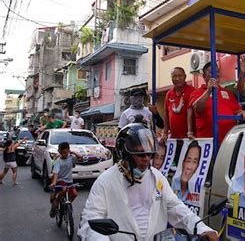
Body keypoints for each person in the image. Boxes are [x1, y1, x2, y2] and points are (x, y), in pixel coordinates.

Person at [78, 123, 218, 241]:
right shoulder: (105, 181)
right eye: (140, 154)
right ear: (124, 154)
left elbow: (176, 208)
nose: (146, 159)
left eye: (149, 154)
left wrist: (202, 228)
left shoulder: (157, 178)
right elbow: (90, 222)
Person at [190, 62, 245, 144]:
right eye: (212, 72)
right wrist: (208, 91)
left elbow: (237, 110)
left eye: (217, 71)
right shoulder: (197, 93)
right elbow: (197, 108)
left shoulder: (227, 92)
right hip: (207, 143)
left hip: (228, 142)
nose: (216, 74)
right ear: (204, 76)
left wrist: (242, 113)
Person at [49, 142, 83, 217]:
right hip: (60, 180)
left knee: (75, 194)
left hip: (69, 181)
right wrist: (54, 183)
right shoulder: (58, 161)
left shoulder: (71, 158)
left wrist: (73, 152)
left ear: (68, 151)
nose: (63, 154)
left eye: (65, 152)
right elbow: (55, 173)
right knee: (63, 189)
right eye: (61, 152)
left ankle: (67, 204)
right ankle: (56, 201)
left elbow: (81, 157)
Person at [162, 67, 196, 142]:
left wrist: (190, 132)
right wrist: (165, 132)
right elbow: (166, 114)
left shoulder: (192, 91)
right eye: (174, 76)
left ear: (185, 76)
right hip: (174, 139)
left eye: (180, 76)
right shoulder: (169, 94)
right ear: (171, 78)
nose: (177, 79)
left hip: (189, 138)